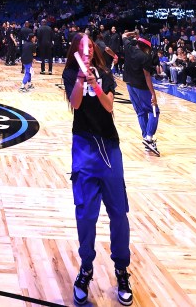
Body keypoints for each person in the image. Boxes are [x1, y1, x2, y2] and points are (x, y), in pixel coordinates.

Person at [63, 33, 132, 307]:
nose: (87, 50)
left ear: (94, 49)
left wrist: (97, 85)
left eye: (89, 46)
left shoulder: (104, 73)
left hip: (110, 148)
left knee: (118, 212)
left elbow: (109, 105)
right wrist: (81, 81)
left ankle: (121, 269)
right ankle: (86, 267)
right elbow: (75, 104)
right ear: (76, 50)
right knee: (86, 213)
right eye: (82, 46)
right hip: (83, 147)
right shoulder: (70, 73)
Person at [122, 31, 160, 156]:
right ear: (146, 47)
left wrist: (133, 33)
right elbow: (147, 76)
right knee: (154, 110)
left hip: (129, 84)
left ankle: (146, 138)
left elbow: (124, 36)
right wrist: (153, 94)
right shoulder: (145, 57)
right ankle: (149, 138)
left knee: (140, 112)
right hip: (142, 87)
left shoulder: (128, 47)